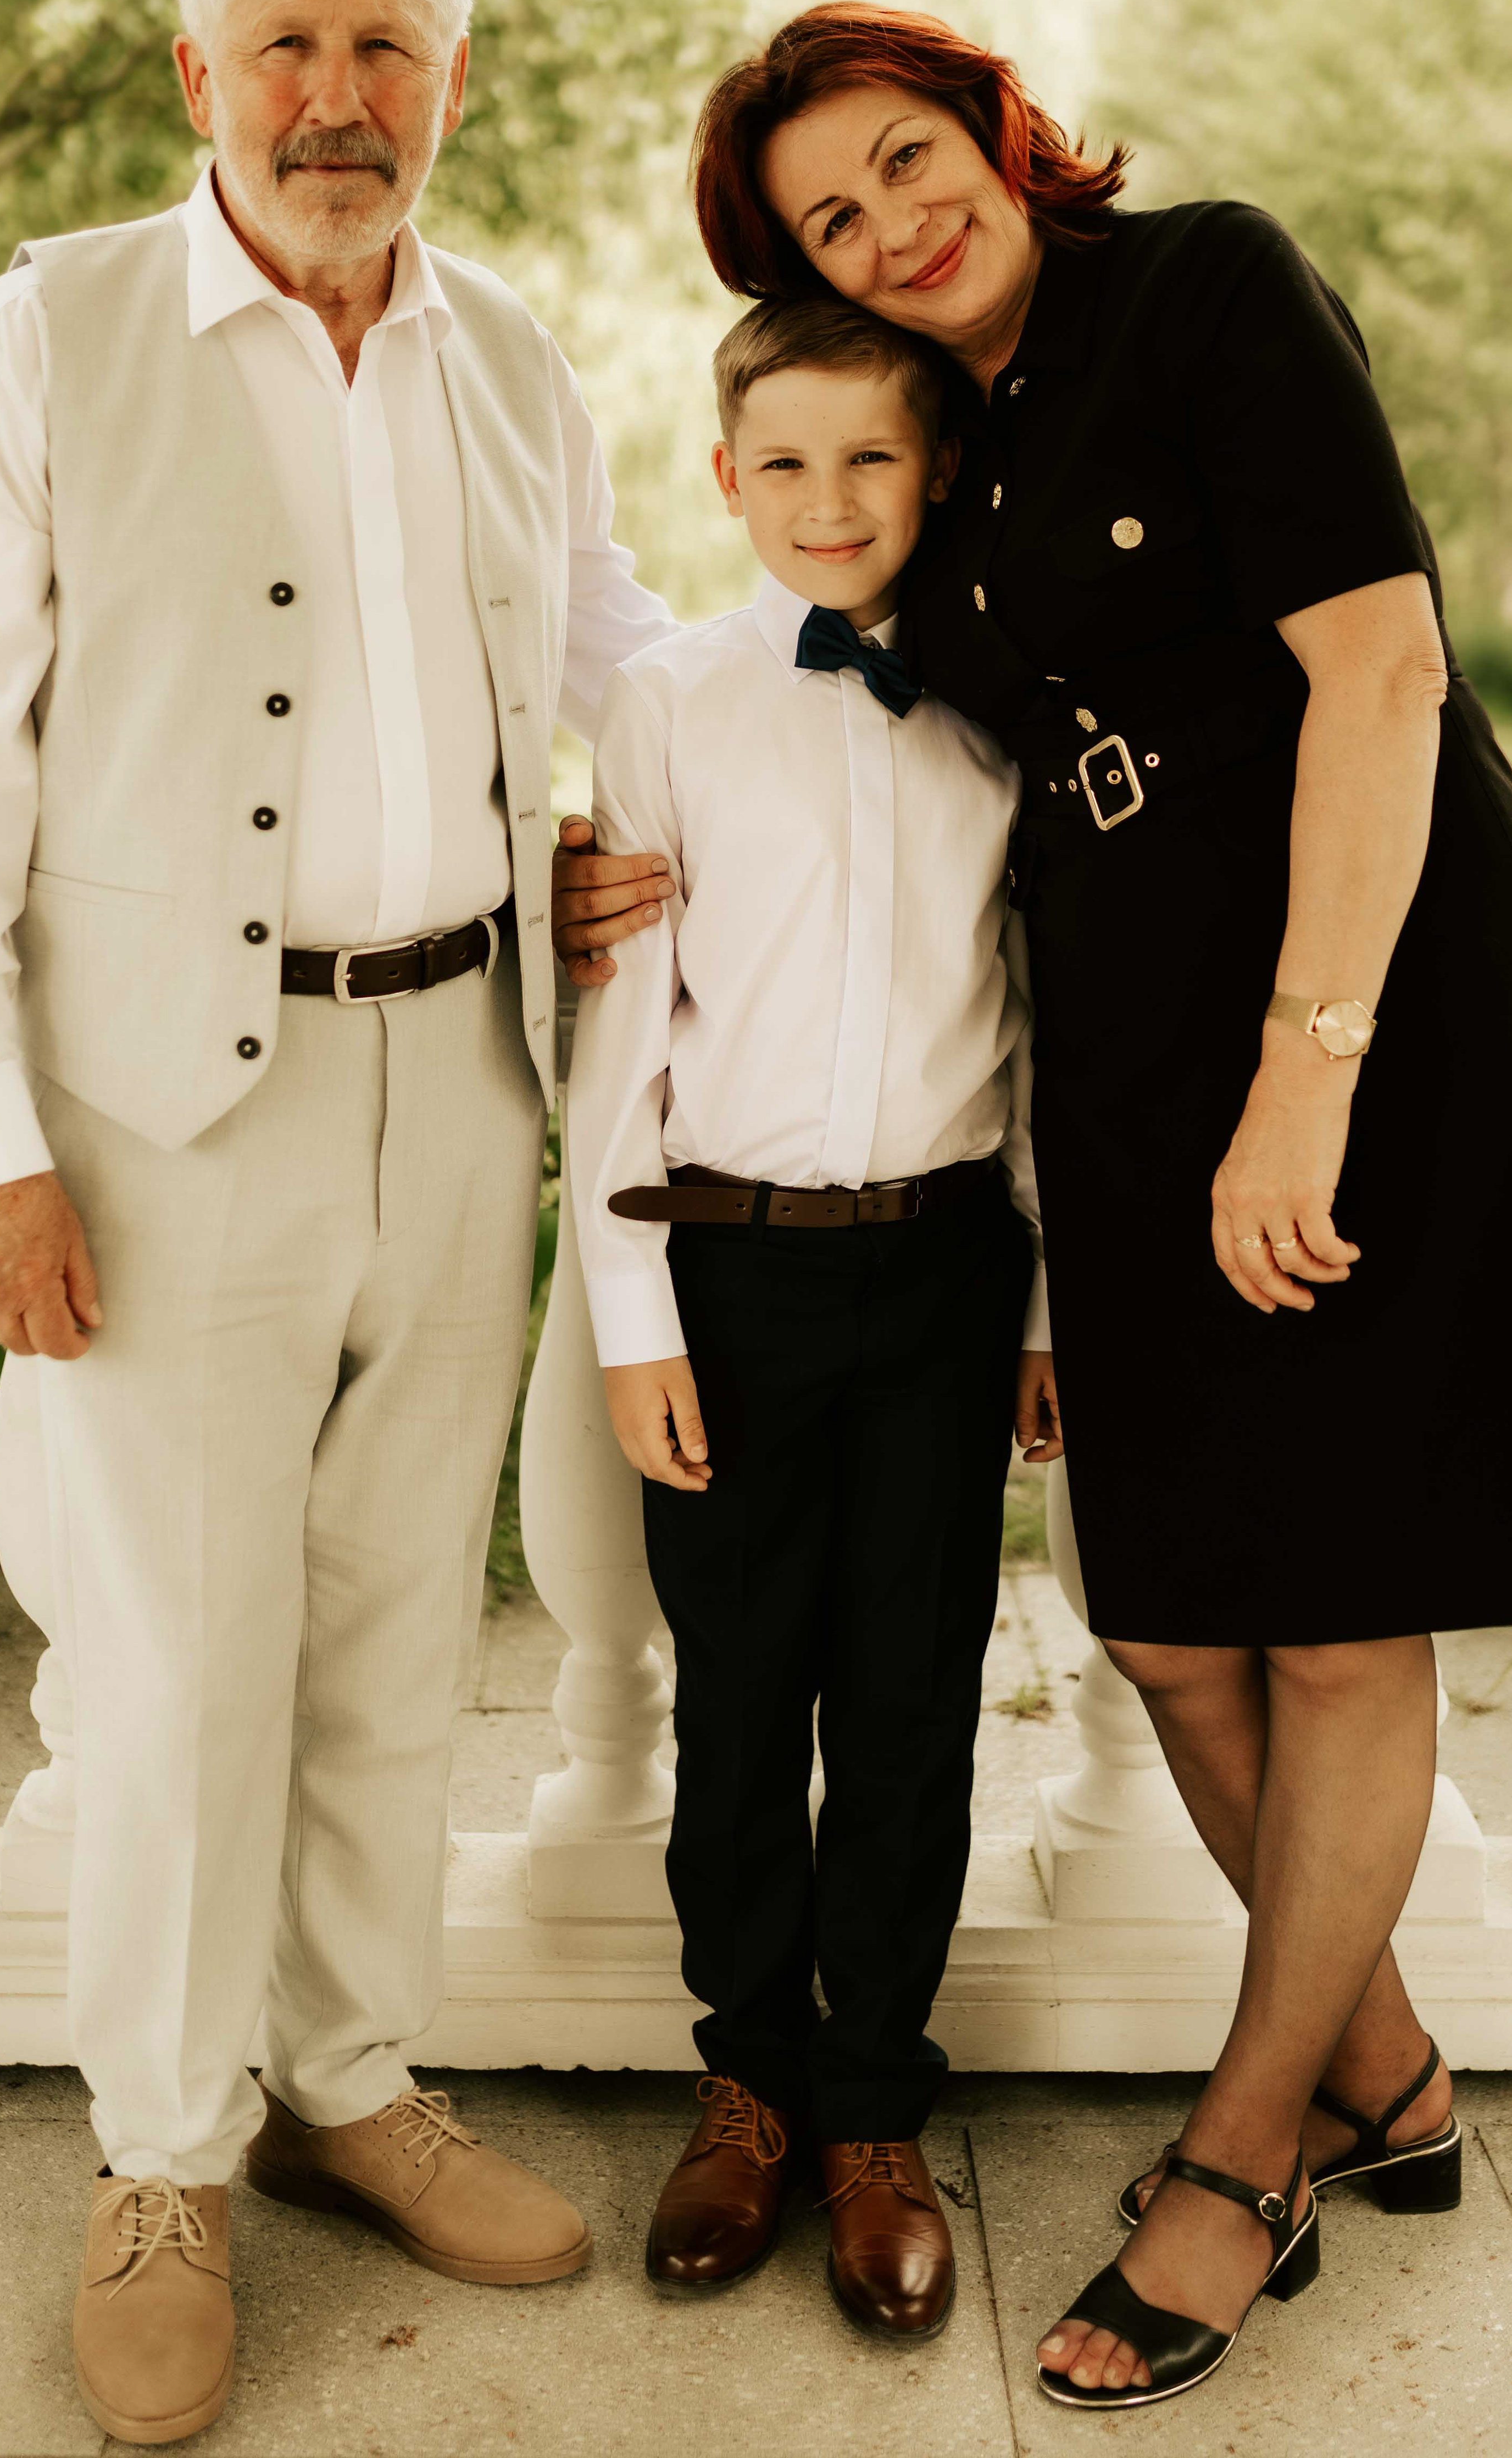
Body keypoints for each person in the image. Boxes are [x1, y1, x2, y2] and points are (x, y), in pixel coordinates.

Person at [561, 0, 1512, 2414]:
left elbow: (1383, 679)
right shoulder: (935, 444)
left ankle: (1247, 2160)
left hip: (1362, 1010)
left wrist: (1309, 1080)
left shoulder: (1207, 289)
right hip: (1134, 1068)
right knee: (1166, 1627)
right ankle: (1388, 2063)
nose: (892, 223)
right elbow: (795, 721)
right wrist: (601, 867)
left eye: (907, 157)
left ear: (994, 125)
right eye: (830, 216)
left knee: (1336, 1622)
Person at [0, 0, 680, 2446]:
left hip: (468, 1078)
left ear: (454, 80)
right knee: (179, 1659)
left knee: (397, 1637)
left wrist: (741, 797)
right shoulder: (38, 338)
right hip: (159, 1116)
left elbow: (621, 654)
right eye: (289, 47)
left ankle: (345, 2080)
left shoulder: (512, 353)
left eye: (387, 47)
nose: (340, 99)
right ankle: (162, 2155)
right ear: (196, 74)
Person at [564, 291, 1054, 2341]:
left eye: (872, 458)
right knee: (743, 1700)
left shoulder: (1007, 698)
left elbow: (1038, 1022)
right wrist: (633, 1315)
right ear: (725, 477)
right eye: (784, 461)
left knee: (915, 1699)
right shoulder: (671, 700)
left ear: (938, 473)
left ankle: (873, 2109)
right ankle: (750, 2080)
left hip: (946, 1269)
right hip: (733, 1272)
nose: (828, 499)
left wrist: (1048, 1302)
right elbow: (624, 1030)